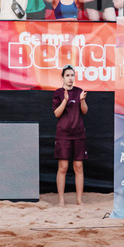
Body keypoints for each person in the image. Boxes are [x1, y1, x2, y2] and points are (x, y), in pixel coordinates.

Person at [52, 64, 87, 206]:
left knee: (78, 167)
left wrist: (82, 100)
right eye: (67, 75)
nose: (70, 78)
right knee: (63, 167)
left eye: (72, 75)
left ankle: (79, 200)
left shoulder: (79, 92)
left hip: (79, 134)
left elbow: (84, 111)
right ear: (62, 77)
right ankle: (61, 200)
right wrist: (65, 100)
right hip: (63, 135)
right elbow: (57, 113)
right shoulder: (58, 93)